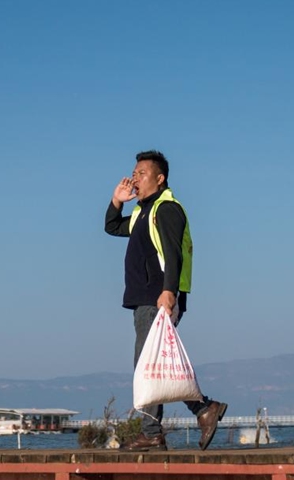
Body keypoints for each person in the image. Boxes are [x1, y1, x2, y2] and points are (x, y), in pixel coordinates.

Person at [104, 150, 227, 451]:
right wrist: (117, 200)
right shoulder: (142, 212)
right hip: (145, 298)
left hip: (157, 296)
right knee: (154, 365)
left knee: (146, 366)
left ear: (160, 179)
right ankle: (203, 410)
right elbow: (111, 227)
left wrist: (169, 291)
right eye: (134, 172)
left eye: (141, 173)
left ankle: (153, 433)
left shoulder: (167, 208)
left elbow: (172, 253)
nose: (135, 177)